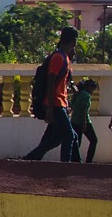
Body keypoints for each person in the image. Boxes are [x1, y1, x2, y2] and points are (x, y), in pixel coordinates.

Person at [22, 26, 78, 161]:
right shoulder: (59, 57)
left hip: (60, 103)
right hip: (56, 103)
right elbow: (51, 82)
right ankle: (66, 165)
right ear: (73, 41)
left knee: (58, 137)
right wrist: (50, 109)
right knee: (69, 136)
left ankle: (31, 158)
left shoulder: (64, 57)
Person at [69, 78, 99, 164]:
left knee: (77, 142)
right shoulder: (86, 95)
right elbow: (84, 110)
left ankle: (74, 159)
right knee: (94, 140)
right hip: (84, 121)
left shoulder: (77, 94)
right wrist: (85, 124)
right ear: (89, 87)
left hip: (74, 121)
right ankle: (89, 161)